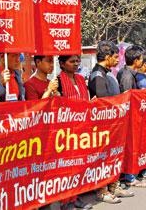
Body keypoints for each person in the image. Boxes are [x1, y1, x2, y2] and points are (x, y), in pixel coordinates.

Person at [88, 40, 134, 204]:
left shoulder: (108, 74)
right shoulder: (97, 76)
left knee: (113, 157)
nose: (117, 60)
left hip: (114, 125)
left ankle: (114, 185)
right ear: (106, 57)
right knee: (103, 158)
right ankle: (102, 190)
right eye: (114, 57)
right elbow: (104, 102)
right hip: (103, 127)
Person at [57, 54, 93, 210]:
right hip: (66, 132)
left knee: (79, 165)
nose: (76, 64)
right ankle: (66, 200)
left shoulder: (80, 79)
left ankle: (76, 196)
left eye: (77, 61)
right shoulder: (57, 82)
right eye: (72, 62)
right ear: (62, 64)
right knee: (67, 167)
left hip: (83, 130)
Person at [117, 45, 146, 188]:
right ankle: (130, 176)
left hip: (132, 116)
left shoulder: (127, 73)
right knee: (130, 146)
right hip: (129, 117)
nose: (142, 61)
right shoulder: (127, 76)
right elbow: (127, 96)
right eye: (141, 59)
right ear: (136, 60)